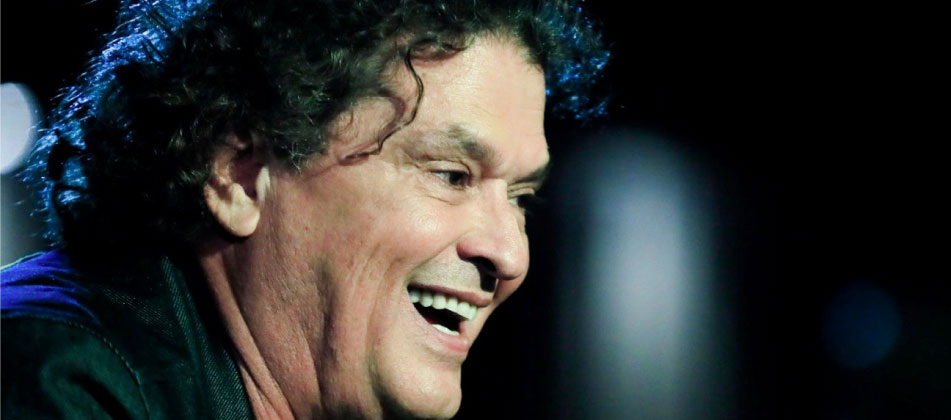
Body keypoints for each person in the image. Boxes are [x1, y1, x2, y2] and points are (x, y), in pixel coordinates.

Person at [1, 0, 607, 418]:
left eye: (521, 198)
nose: (510, 254)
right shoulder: (53, 376)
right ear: (239, 175)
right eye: (451, 176)